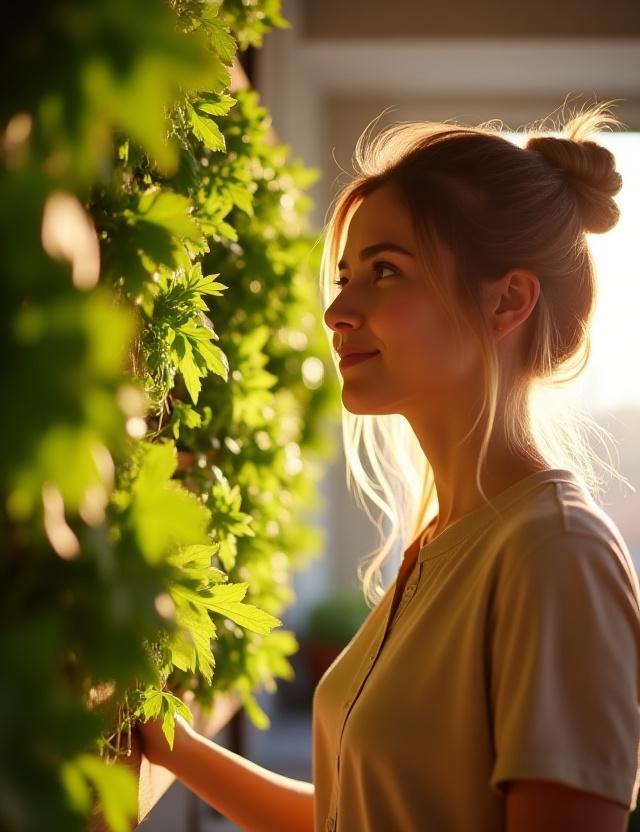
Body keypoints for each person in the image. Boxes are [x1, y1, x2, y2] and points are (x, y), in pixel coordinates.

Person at [137, 100, 640, 832]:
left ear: (508, 301)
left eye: (385, 271)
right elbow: (353, 815)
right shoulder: (443, 542)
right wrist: (171, 744)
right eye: (346, 275)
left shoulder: (555, 554)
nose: (338, 310)